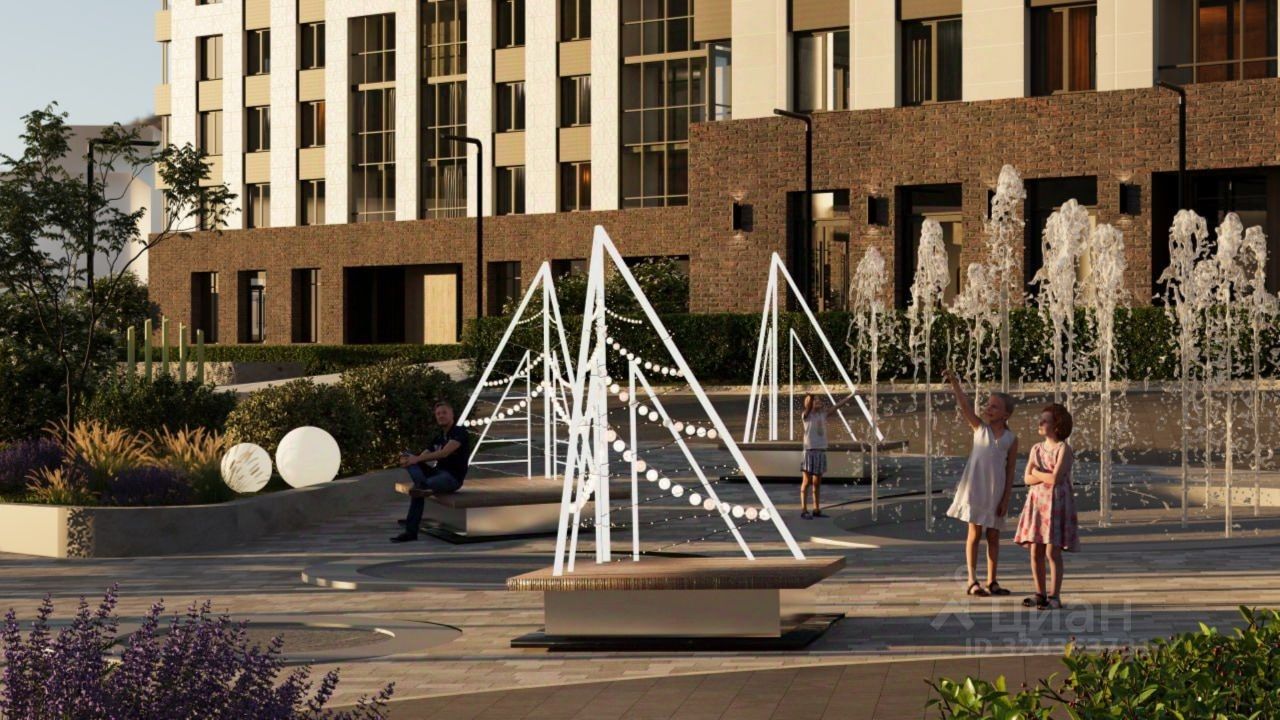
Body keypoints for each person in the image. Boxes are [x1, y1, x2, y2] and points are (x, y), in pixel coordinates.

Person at [943, 369, 1019, 597]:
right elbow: (965, 406)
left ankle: (992, 580)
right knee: (974, 534)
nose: (988, 408)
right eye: (988, 405)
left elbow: (1010, 470)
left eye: (994, 406)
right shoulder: (980, 428)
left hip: (995, 492)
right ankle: (972, 580)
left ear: (1006, 414)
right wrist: (955, 383)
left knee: (993, 536)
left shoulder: (1011, 439)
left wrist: (1006, 499)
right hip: (975, 489)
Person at [1015, 403, 1079, 610]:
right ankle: (1040, 593)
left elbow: (1054, 478)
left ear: (1057, 426)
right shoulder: (1036, 448)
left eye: (1045, 420)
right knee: (1035, 551)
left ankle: (1055, 596)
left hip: (1056, 504)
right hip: (1037, 504)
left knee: (1052, 552)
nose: (1040, 423)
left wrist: (1037, 473)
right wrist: (1041, 475)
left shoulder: (1063, 449)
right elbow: (1026, 478)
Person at [391, 401, 470, 543]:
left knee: (419, 488)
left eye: (444, 413)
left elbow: (444, 453)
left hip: (451, 478)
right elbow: (423, 455)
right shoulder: (438, 437)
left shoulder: (460, 432)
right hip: (436, 473)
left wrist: (416, 459)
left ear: (452, 415)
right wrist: (408, 460)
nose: (441, 416)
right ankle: (421, 484)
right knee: (407, 456)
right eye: (438, 414)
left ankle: (410, 532)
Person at [800, 392, 858, 520]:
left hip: (820, 452)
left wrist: (851, 395)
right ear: (809, 403)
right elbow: (808, 408)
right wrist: (811, 397)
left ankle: (816, 509)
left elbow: (836, 406)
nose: (818, 401)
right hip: (809, 452)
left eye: (818, 399)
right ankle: (804, 510)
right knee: (806, 482)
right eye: (815, 400)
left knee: (817, 483)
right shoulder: (806, 415)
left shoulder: (822, 415)